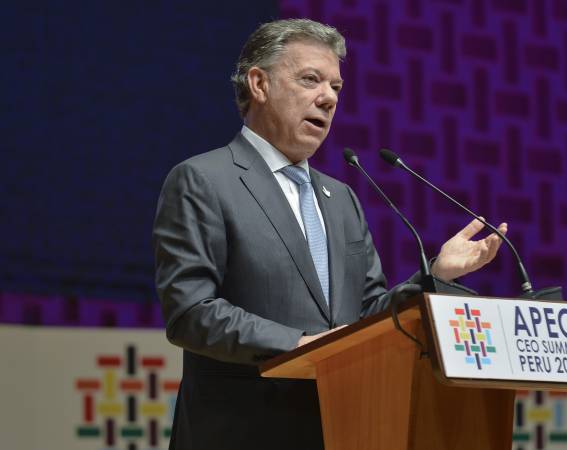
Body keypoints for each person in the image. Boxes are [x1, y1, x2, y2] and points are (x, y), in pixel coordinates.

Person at [153, 18, 508, 450]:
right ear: (259, 84)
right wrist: (301, 346)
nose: (328, 98)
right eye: (310, 80)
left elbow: (368, 314)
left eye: (336, 87)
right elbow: (190, 312)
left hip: (344, 429)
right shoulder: (204, 180)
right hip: (242, 431)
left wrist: (436, 275)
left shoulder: (341, 198)